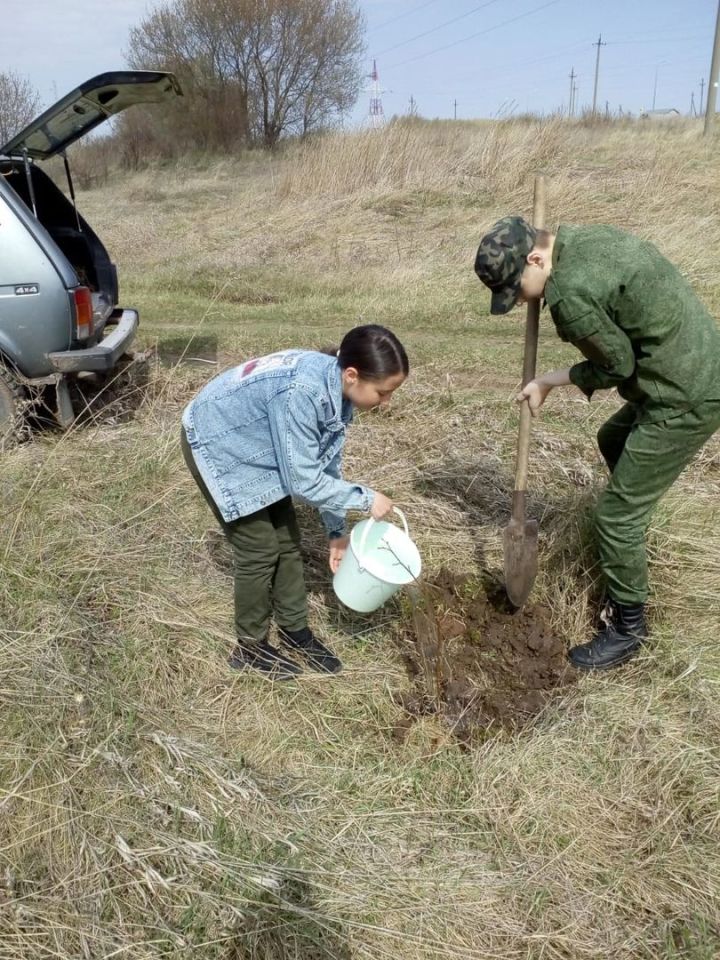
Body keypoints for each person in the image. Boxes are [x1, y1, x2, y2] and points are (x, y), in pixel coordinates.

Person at [474, 217, 720, 670]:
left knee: (614, 518)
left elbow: (617, 366)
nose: (523, 299)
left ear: (535, 258)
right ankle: (630, 526)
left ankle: (628, 629)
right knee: (612, 438)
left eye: (518, 288)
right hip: (690, 362)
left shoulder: (568, 297)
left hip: (682, 395)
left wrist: (549, 380)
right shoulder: (577, 240)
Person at [181, 324, 408, 680]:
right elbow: (303, 481)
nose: (386, 401)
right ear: (352, 375)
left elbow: (327, 464)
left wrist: (337, 531)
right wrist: (365, 499)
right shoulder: (301, 393)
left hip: (260, 444)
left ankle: (294, 630)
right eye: (383, 392)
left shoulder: (335, 390)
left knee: (287, 542)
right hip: (218, 442)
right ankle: (250, 646)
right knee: (259, 548)